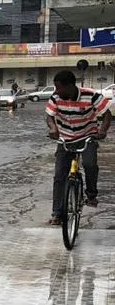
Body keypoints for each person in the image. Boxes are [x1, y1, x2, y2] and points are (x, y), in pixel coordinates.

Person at [46, 70, 112, 225]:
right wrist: (53, 128)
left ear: (70, 86)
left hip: (87, 137)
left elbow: (107, 114)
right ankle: (57, 213)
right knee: (59, 175)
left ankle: (91, 195)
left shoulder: (91, 95)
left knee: (90, 164)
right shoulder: (55, 97)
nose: (57, 91)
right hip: (65, 139)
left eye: (59, 87)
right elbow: (49, 115)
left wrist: (102, 131)